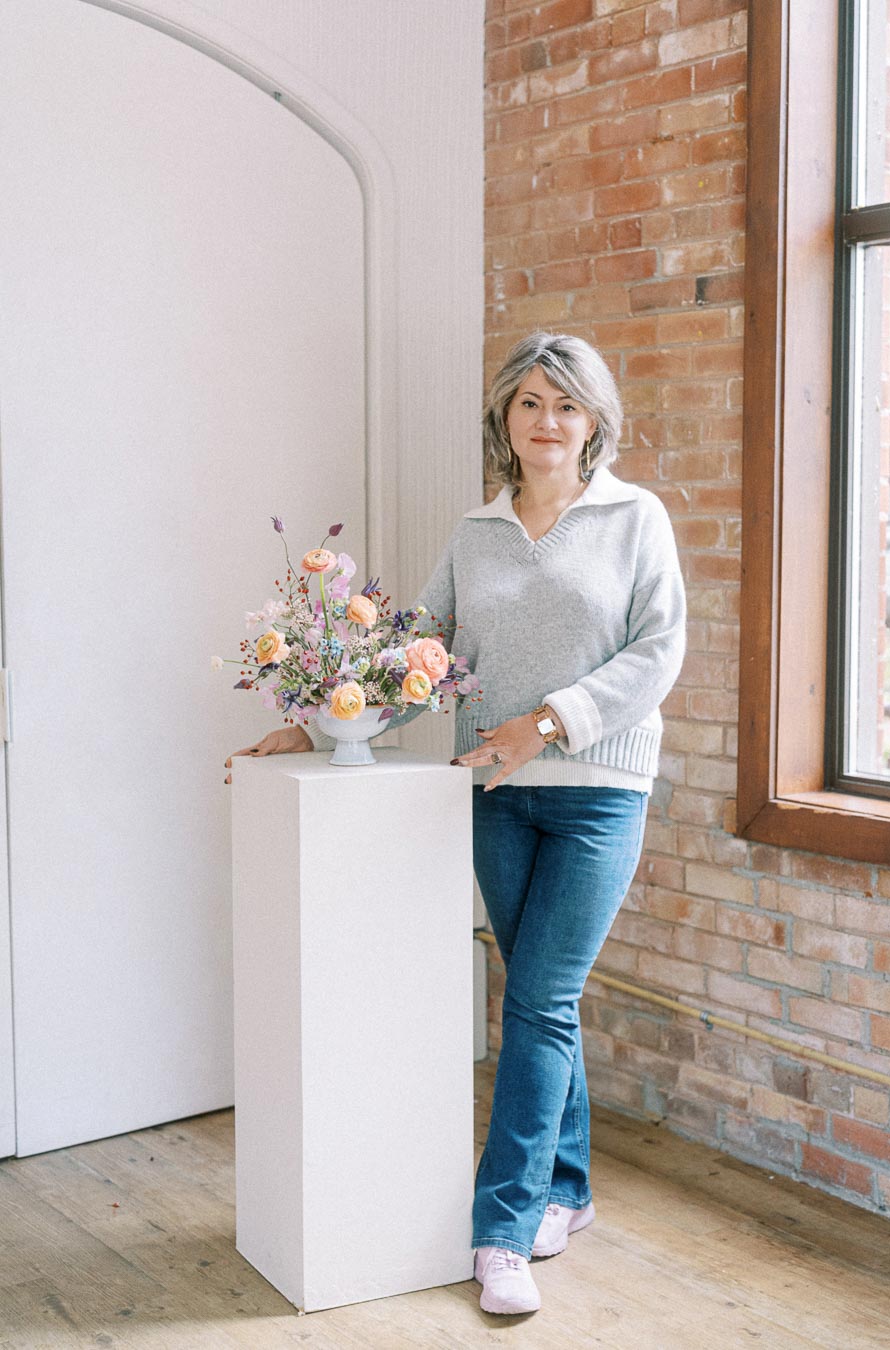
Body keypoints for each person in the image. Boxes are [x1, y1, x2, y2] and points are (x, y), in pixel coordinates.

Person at [226, 330, 686, 1318]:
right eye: (530, 403)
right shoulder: (477, 533)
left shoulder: (634, 519)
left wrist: (545, 723)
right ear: (505, 420)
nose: (548, 420)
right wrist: (317, 722)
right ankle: (570, 1188)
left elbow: (658, 652)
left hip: (599, 793)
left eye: (567, 404)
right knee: (542, 1000)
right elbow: (419, 659)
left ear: (595, 420)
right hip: (493, 797)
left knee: (539, 1003)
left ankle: (502, 1229)